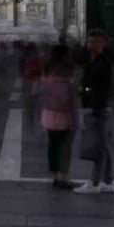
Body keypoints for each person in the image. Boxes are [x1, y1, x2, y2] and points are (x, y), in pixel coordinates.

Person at [75, 30, 114, 194]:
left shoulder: (102, 63)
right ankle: (108, 181)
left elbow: (101, 89)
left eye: (96, 42)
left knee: (98, 147)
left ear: (103, 44)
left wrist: (85, 91)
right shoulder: (94, 61)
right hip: (95, 106)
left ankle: (95, 183)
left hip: (96, 108)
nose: (92, 44)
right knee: (103, 146)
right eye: (90, 41)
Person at [38, 45, 78, 189]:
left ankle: (55, 175)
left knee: (52, 145)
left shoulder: (47, 69)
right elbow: (71, 95)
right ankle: (64, 177)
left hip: (48, 113)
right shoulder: (67, 70)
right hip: (65, 114)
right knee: (65, 146)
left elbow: (41, 93)